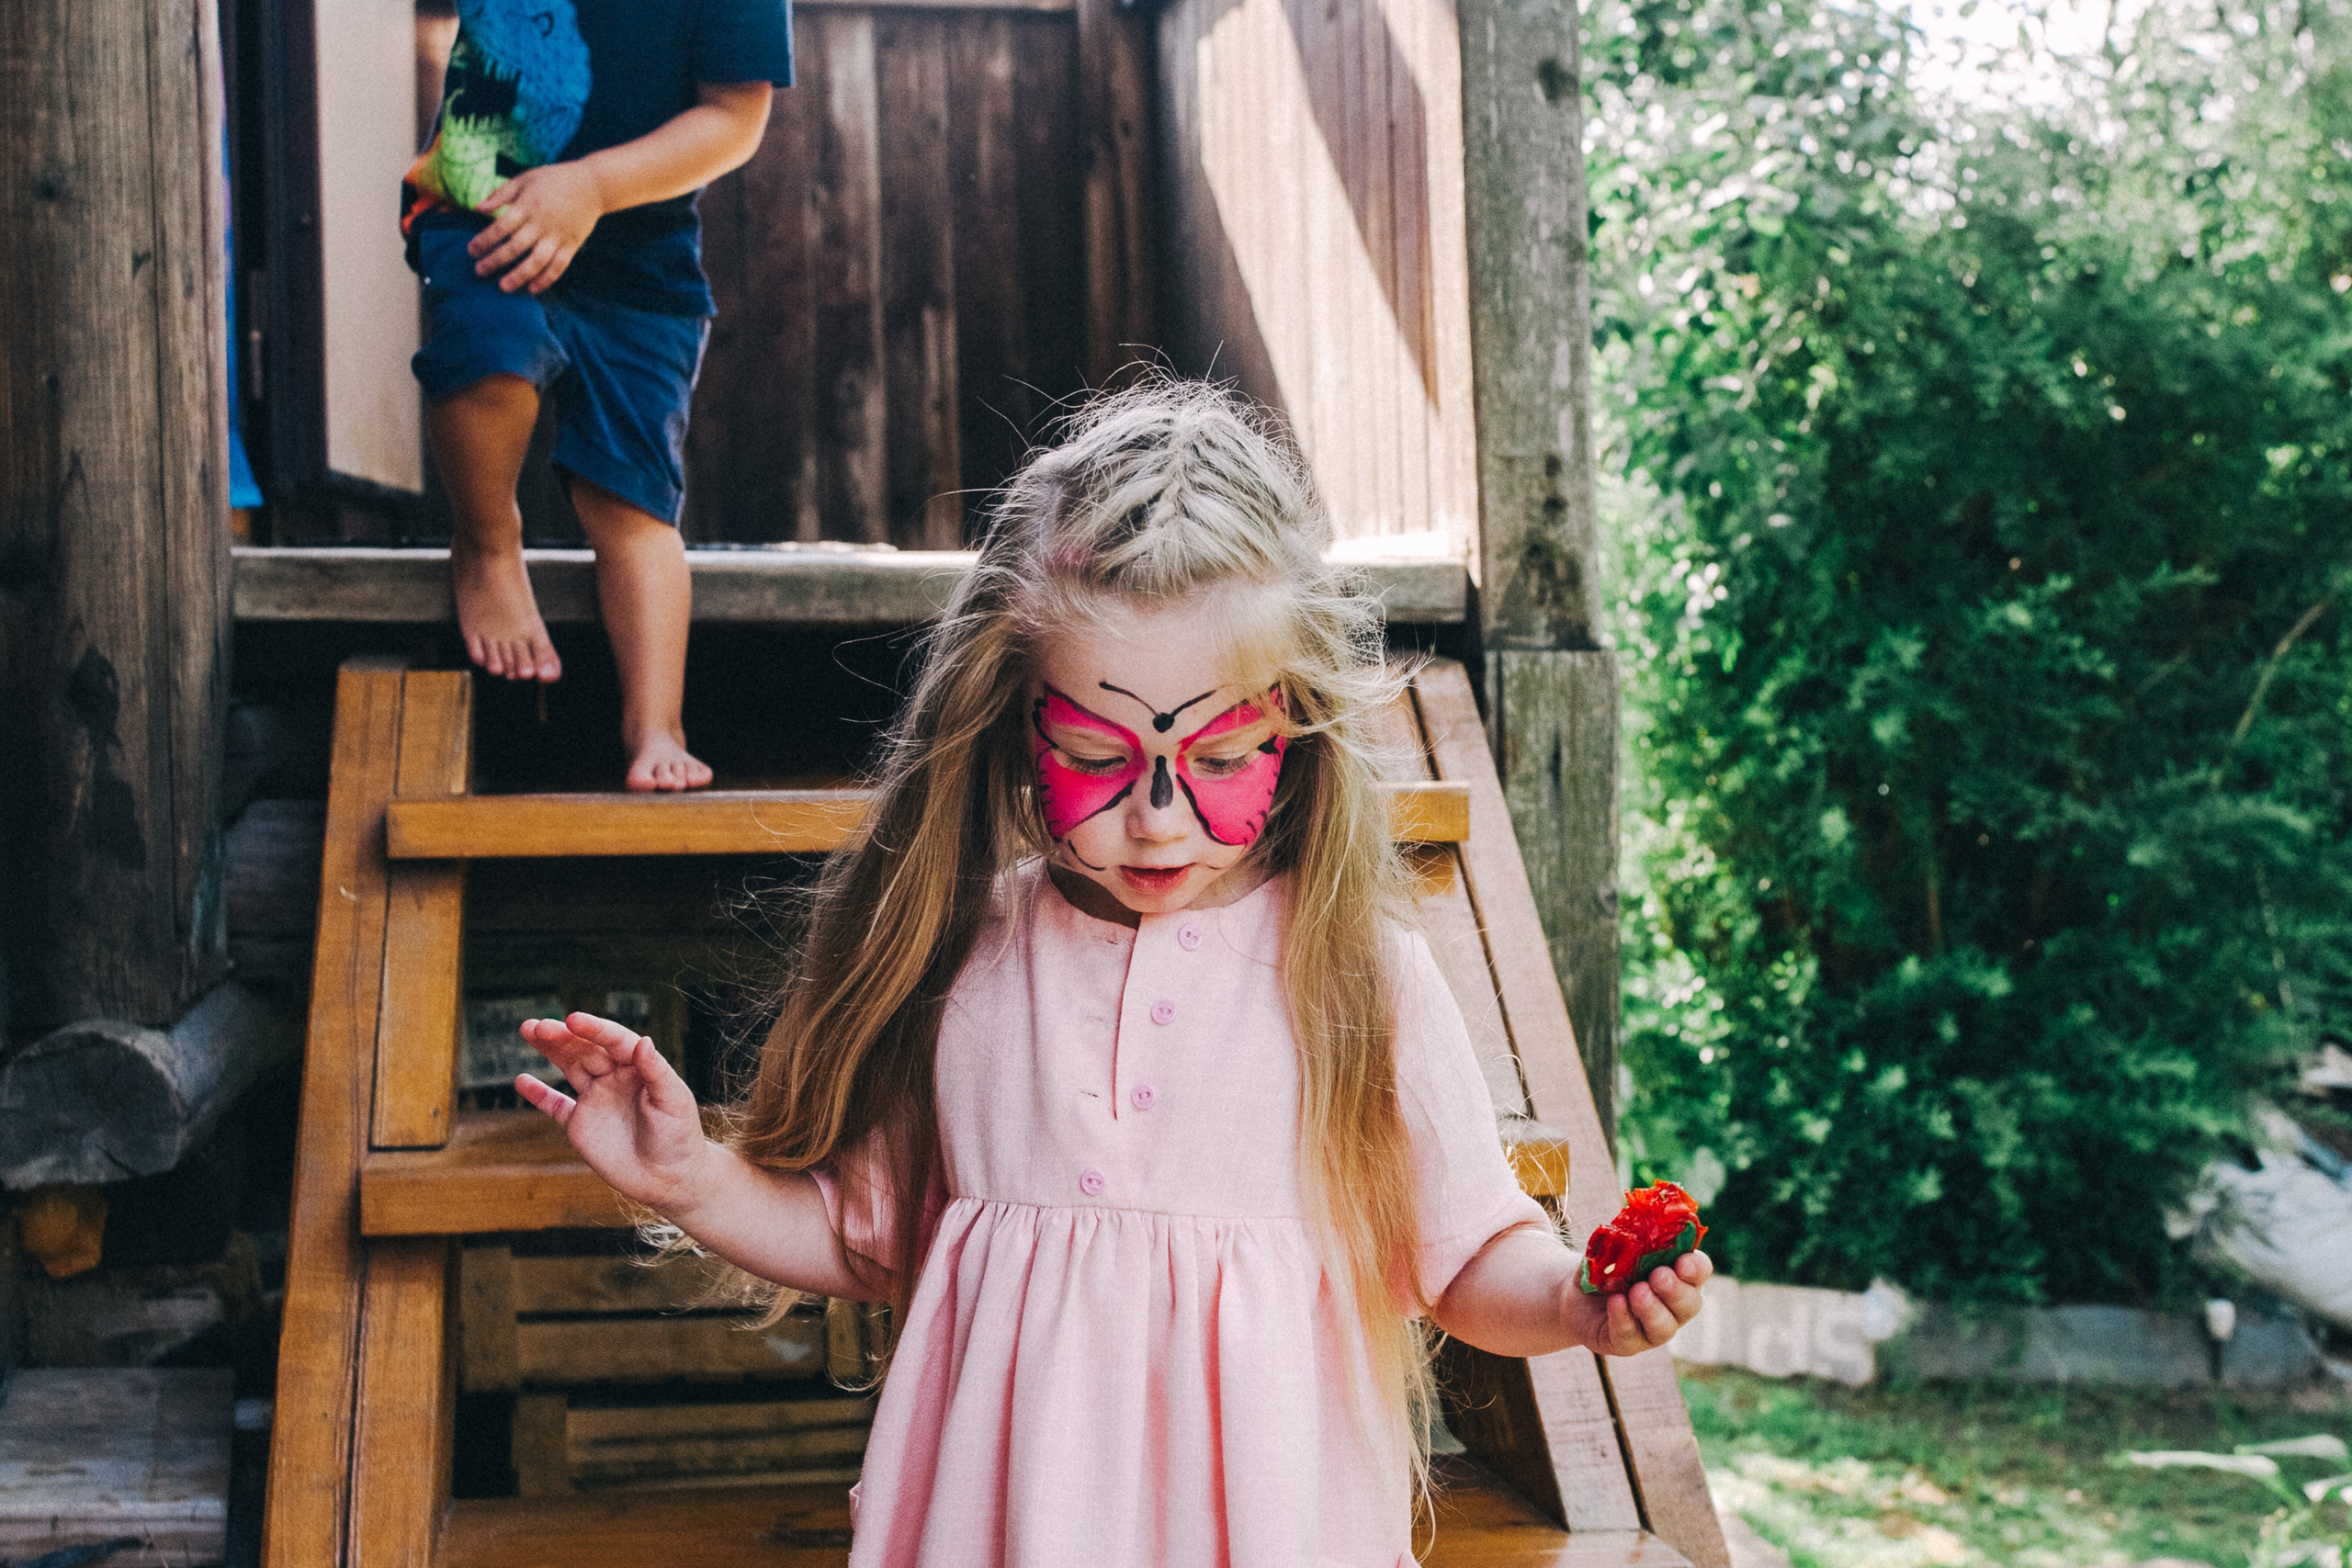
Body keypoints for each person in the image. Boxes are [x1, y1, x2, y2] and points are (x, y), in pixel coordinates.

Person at [513, 380, 1712, 1564]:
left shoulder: (1357, 975)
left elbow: (1460, 1253)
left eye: (1222, 754)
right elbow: (854, 1229)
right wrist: (689, 1175)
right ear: (1013, 710)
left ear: (1291, 731)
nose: (1156, 817)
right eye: (1093, 753)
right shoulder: (967, 959)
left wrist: (1570, 1301)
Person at [402, 0, 794, 790]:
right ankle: (487, 541)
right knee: (489, 359)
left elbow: (733, 117)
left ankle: (655, 725)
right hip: (487, 207)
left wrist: (591, 186)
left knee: (632, 502)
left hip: (640, 261)